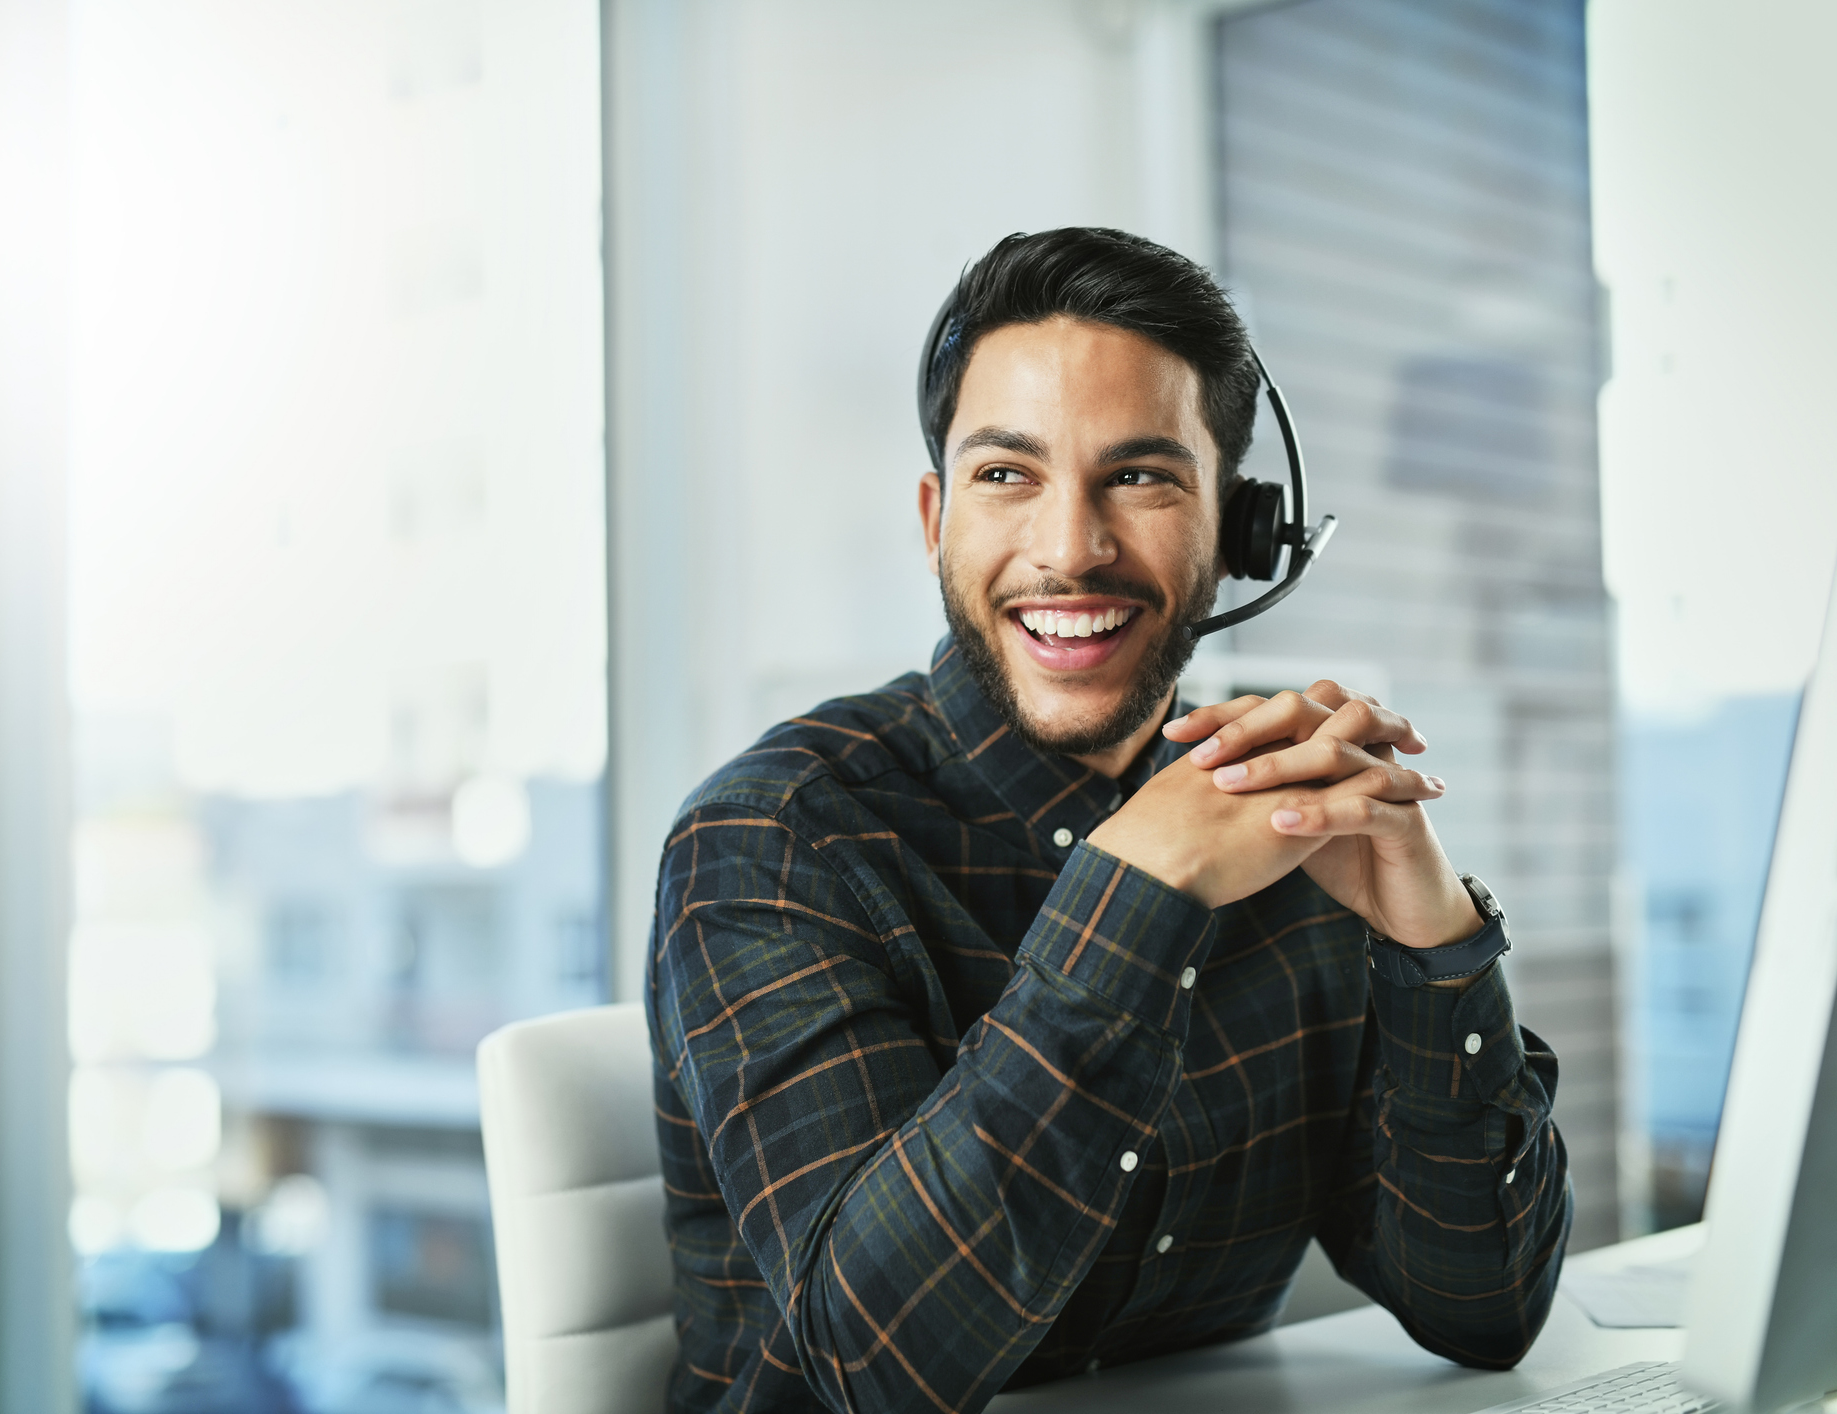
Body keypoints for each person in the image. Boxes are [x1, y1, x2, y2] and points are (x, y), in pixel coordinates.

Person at [644, 227, 1570, 1414]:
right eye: (1006, 475)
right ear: (935, 520)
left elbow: (1485, 1307)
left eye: (1140, 476)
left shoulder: (1287, 821)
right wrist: (1135, 892)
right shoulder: (775, 838)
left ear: (1237, 532)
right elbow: (875, 1365)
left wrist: (1433, 945)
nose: (1071, 548)